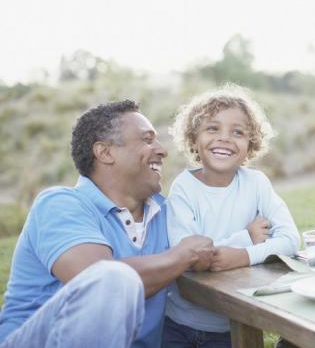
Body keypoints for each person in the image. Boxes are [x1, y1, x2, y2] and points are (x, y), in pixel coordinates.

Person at [0, 100, 214, 348]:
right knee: (112, 278)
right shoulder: (61, 204)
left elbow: (214, 247)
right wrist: (183, 255)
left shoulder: (168, 212)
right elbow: (98, 280)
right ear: (105, 152)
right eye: (147, 140)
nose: (162, 150)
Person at [163, 84, 300, 348]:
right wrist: (246, 237)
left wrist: (242, 256)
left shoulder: (257, 183)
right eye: (212, 128)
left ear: (250, 145)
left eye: (237, 132)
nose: (224, 138)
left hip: (235, 323)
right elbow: (190, 258)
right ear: (193, 138)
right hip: (182, 325)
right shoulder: (183, 189)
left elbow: (291, 240)